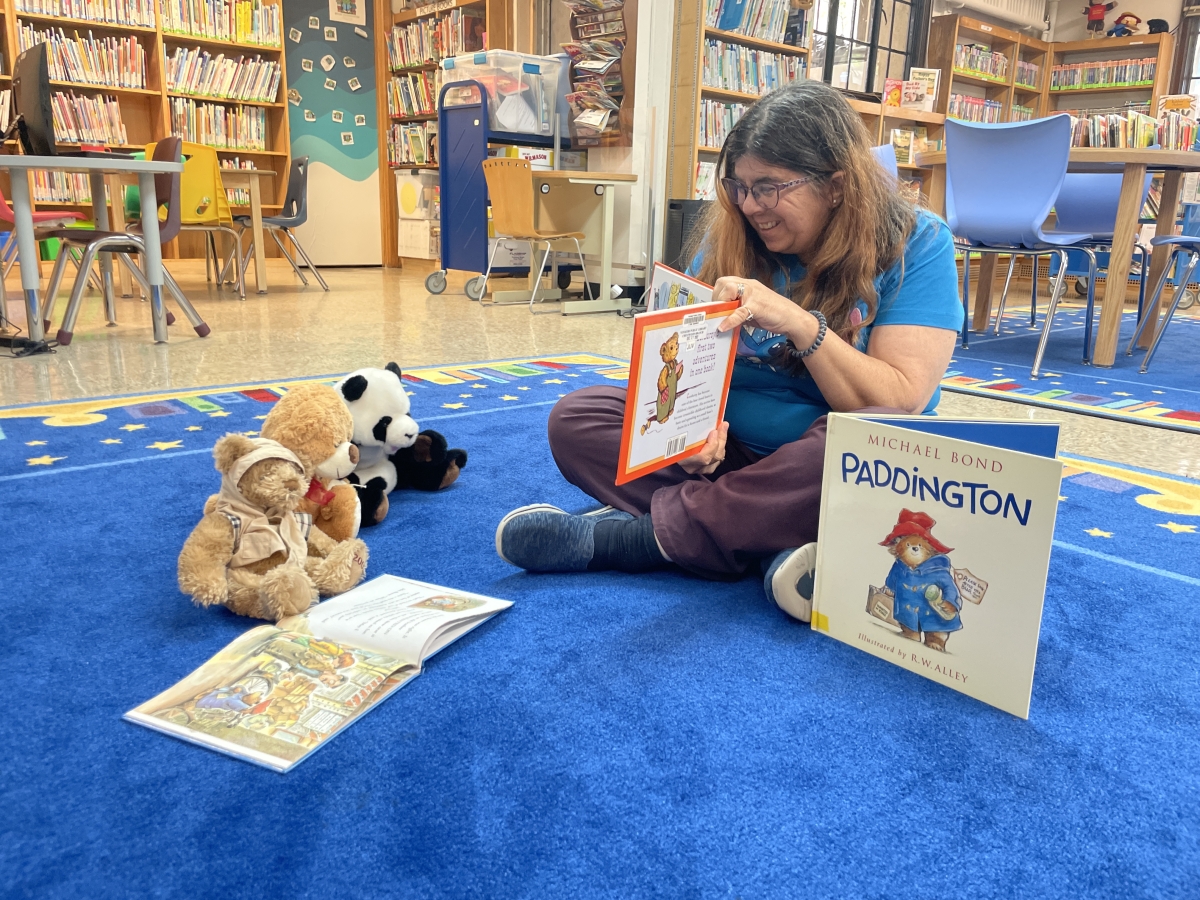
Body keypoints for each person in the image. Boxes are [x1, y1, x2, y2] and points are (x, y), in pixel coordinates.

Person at [494, 80, 964, 622]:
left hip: (824, 459)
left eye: (768, 187)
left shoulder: (916, 241)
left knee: (870, 444)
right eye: (738, 187)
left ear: (835, 186)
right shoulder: (732, 237)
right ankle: (767, 535)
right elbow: (687, 366)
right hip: (735, 460)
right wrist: (692, 432)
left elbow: (900, 399)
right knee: (577, 419)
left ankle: (637, 541)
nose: (750, 206)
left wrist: (797, 324)